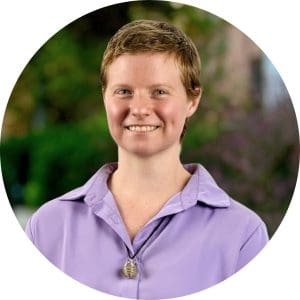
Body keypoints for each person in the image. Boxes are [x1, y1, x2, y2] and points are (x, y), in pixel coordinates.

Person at [25, 20, 269, 299]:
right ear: (105, 97)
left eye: (160, 92)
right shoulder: (47, 228)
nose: (139, 108)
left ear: (193, 100)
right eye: (124, 91)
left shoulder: (243, 237)